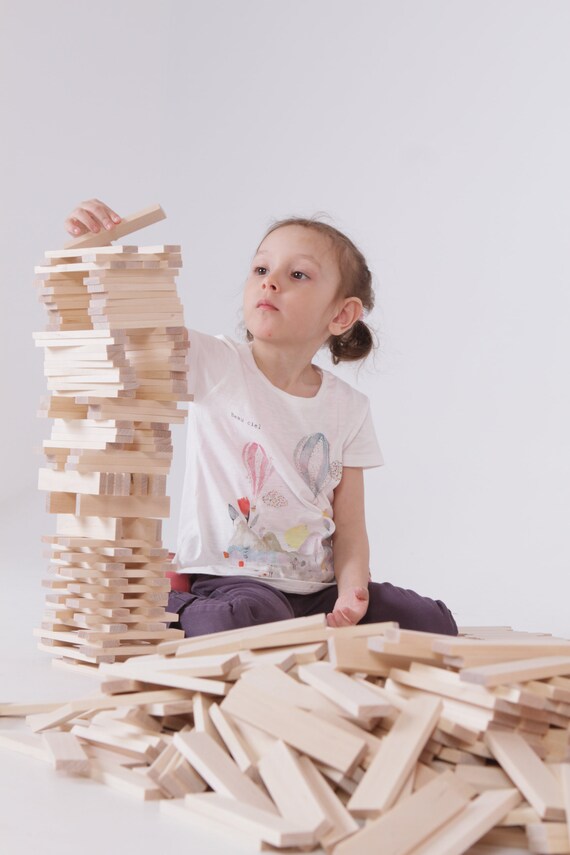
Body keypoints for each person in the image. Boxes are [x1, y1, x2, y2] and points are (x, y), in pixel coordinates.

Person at [64, 200, 458, 637]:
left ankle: (297, 629)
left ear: (341, 314)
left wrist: (352, 591)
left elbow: (349, 527)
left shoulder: (349, 406)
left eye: (297, 275)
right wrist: (95, 252)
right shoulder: (217, 364)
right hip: (230, 579)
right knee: (251, 617)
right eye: (260, 270)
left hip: (314, 590)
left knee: (432, 621)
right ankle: (173, 601)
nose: (270, 283)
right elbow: (128, 331)